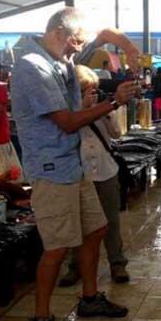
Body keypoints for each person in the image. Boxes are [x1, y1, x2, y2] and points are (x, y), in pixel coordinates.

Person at [11, 7, 137, 321]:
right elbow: (66, 121)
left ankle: (90, 297)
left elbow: (103, 36)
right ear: (59, 34)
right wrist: (113, 102)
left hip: (73, 164)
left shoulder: (57, 59)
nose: (75, 52)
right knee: (57, 246)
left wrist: (129, 48)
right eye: (74, 45)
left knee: (96, 228)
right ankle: (40, 320)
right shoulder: (32, 68)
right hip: (52, 170)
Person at [59, 65, 129, 286]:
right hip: (80, 175)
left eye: (92, 91)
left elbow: (117, 133)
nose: (90, 95)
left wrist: (105, 111)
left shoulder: (103, 109)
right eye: (85, 92)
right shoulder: (67, 115)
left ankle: (117, 263)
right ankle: (75, 266)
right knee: (78, 223)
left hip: (106, 172)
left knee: (111, 221)